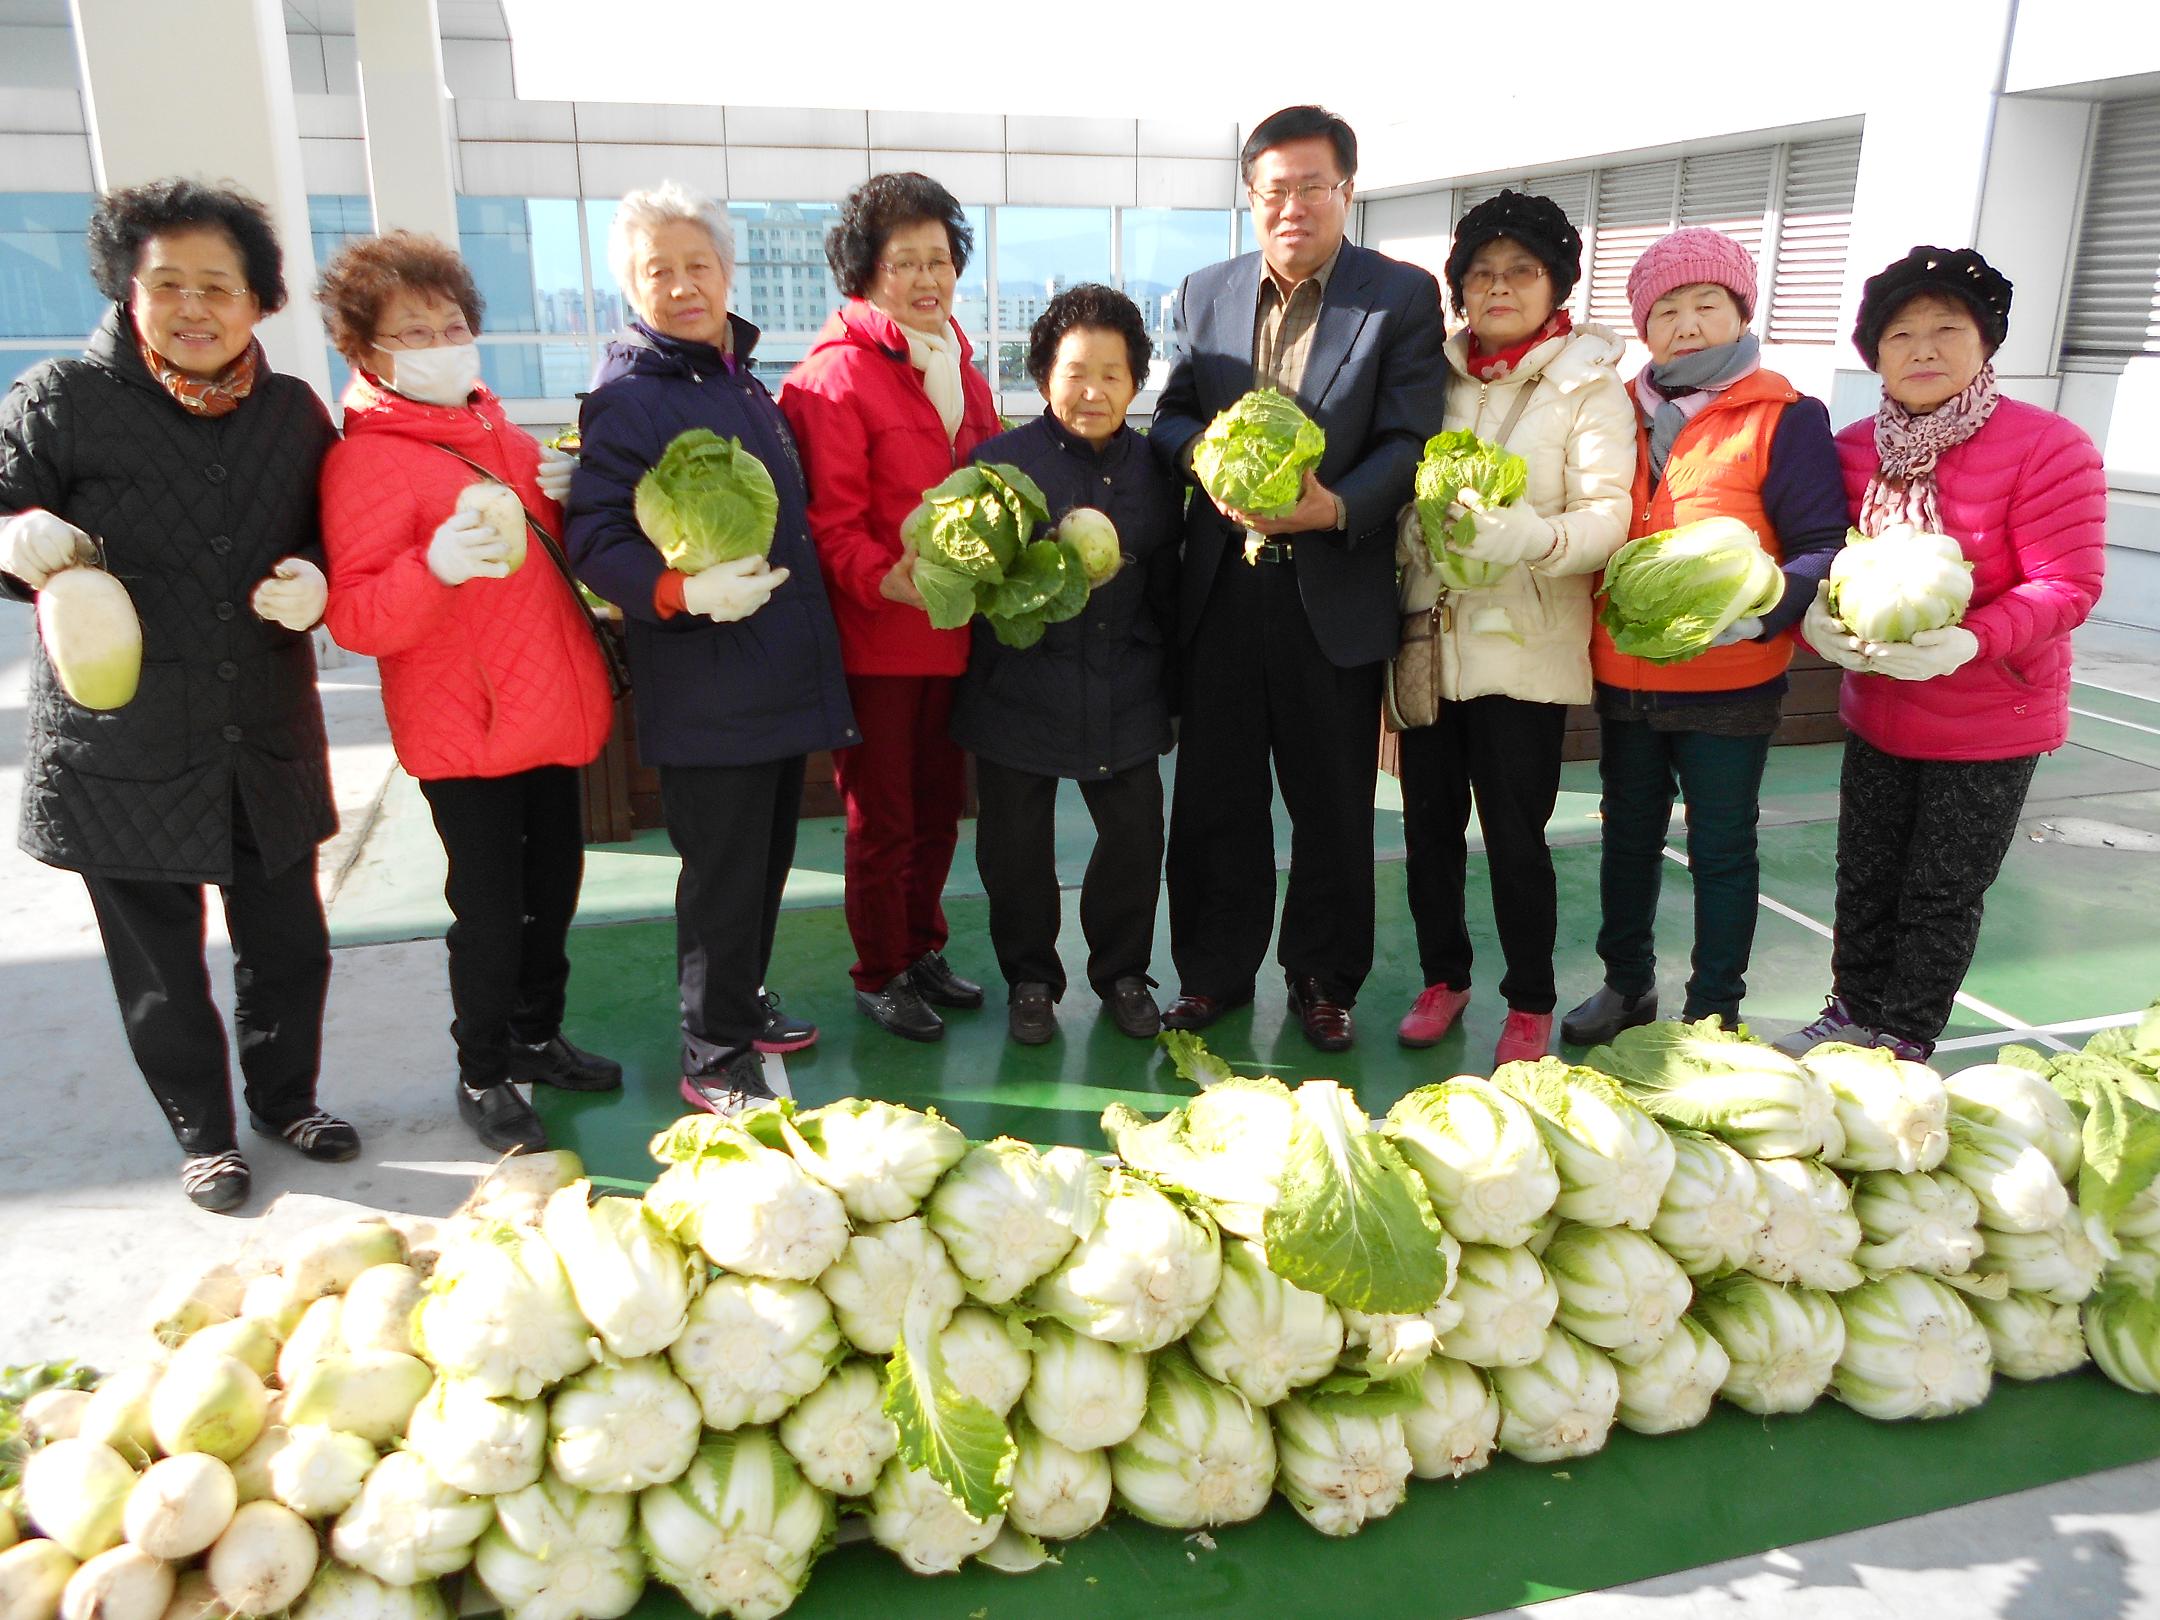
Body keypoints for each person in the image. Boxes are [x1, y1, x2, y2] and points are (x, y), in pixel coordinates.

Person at [0, 179, 353, 1211]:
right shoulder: (60, 398)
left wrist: (319, 570)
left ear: (258, 302)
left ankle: (288, 1098)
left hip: (263, 728)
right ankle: (204, 1133)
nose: (194, 308)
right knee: (159, 960)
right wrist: (16, 538)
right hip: (125, 743)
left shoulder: (292, 412)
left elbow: (335, 526)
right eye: (168, 285)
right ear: (127, 290)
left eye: (219, 286)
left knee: (288, 940)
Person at [1149, 104, 1447, 1052]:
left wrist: (1334, 508)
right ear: (1250, 198)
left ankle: (1324, 976)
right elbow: (1168, 418)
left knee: (1331, 803)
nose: (1292, 206)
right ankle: (1212, 974)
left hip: (1335, 580)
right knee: (1216, 797)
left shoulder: (1396, 297)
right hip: (1224, 592)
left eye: (1312, 187)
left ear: (1346, 192)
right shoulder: (1204, 291)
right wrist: (1208, 459)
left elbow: (1412, 436)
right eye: (1273, 190)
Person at [317, 230, 620, 1154]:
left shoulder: (499, 432)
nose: (442, 343)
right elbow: (358, 617)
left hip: (546, 711)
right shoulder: (364, 460)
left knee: (554, 888)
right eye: (414, 332)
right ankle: (483, 1068)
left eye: (452, 324)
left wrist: (565, 492)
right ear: (367, 353)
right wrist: (433, 565)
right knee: (488, 911)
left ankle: (536, 1034)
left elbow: (546, 561)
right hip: (468, 726)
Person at [567, 181, 855, 1116]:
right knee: (723, 874)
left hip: (773, 666)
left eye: (699, 265)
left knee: (764, 859)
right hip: (707, 679)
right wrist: (678, 592)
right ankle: (712, 1048)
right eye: (661, 271)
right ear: (631, 287)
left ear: (729, 274)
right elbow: (595, 537)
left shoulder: (738, 380)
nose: (684, 285)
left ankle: (739, 1001)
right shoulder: (628, 397)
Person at [1776, 247, 2106, 1061]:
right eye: (1900, 335)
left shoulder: (2047, 445)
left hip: (1993, 714)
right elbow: (1816, 553)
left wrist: (1971, 639)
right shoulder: (1853, 448)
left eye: (1945, 330)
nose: (1922, 350)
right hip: (1881, 705)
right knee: (1865, 874)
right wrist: (1806, 620)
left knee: (1941, 891)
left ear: (1985, 342)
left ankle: (1905, 1036)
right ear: (1875, 353)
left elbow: (2068, 585)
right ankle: (1851, 1009)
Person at [1560, 228, 1849, 1046]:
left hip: (1732, 682)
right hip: (1626, 674)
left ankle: (1714, 1007)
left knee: (1722, 849)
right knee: (1626, 839)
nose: (1686, 324)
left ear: (1740, 312)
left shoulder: (1784, 415)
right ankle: (1626, 987)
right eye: (1667, 310)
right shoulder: (1610, 410)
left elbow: (1822, 540)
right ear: (1644, 328)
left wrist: (1763, 615)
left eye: (1705, 305)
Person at [1393, 191, 1635, 1066]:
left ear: (1555, 283)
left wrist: (1532, 537)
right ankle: (1442, 976)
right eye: (1481, 273)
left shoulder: (1589, 385)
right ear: (1460, 288)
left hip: (1526, 646)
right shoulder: (1435, 371)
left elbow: (1610, 514)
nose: (1499, 288)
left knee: (1514, 835)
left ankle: (1529, 998)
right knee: (1426, 830)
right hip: (1429, 640)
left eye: (1520, 272)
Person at [779, 172, 1002, 1044]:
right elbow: (828, 526)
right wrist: (892, 579)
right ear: (865, 273)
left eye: (939, 260)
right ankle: (878, 971)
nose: (925, 279)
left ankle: (921, 949)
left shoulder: (958, 362)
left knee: (941, 806)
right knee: (883, 817)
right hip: (879, 638)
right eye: (903, 262)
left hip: (955, 633)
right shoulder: (832, 380)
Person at [949, 284, 1182, 1046]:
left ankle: (1121, 973)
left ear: (1136, 382)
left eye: (1113, 374)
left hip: (1127, 685)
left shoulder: (1158, 469)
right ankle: (1030, 979)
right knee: (1015, 846)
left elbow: (1172, 582)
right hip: (1020, 690)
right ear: (1045, 374)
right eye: (1075, 371)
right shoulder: (999, 468)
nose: (1093, 391)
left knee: (1134, 838)